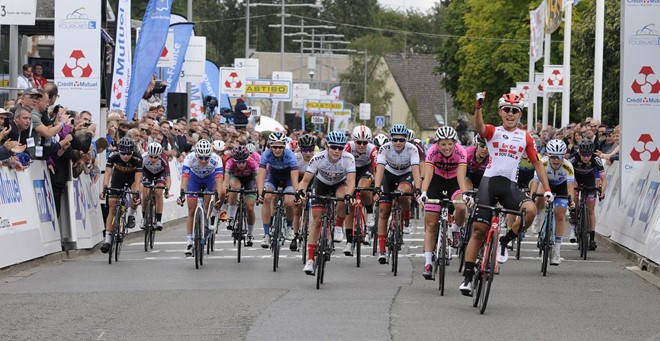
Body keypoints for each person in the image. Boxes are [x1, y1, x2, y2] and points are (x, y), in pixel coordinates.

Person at [459, 93, 553, 296]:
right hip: (489, 184)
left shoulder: (525, 136)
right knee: (478, 231)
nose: (510, 114)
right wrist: (478, 108)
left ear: (520, 114)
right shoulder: (494, 131)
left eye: (515, 110)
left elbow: (537, 162)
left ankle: (504, 242)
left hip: (509, 186)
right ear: (501, 112)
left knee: (530, 210)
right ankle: (467, 277)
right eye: (507, 110)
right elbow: (480, 128)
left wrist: (547, 189)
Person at [298, 131, 356, 274]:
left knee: (343, 197)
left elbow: (351, 181)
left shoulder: (348, 158)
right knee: (317, 220)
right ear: (327, 146)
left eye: (340, 148)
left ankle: (337, 226)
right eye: (334, 147)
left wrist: (349, 195)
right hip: (321, 185)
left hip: (339, 183)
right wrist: (301, 192)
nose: (337, 151)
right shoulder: (318, 158)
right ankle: (310, 260)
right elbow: (305, 181)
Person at [418, 126, 469, 279]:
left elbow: (461, 177)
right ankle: (428, 263)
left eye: (450, 144)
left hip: (454, 181)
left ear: (455, 143)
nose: (447, 148)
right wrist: (424, 193)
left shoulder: (461, 152)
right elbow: (427, 176)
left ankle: (455, 229)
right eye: (443, 144)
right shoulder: (432, 152)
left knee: (461, 207)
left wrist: (465, 195)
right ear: (437, 144)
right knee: (432, 224)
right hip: (436, 182)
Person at [373, 124, 422, 264]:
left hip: (405, 174)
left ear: (406, 140)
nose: (398, 143)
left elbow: (415, 169)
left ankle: (406, 220)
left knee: (404, 192)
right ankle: (381, 250)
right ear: (391, 139)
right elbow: (380, 169)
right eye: (395, 140)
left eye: (401, 140)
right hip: (388, 175)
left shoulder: (412, 149)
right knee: (383, 211)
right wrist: (377, 187)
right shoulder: (384, 148)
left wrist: (417, 188)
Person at [529, 139, 576, 265]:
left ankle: (556, 251)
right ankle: (538, 217)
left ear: (564, 156)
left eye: (559, 157)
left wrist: (571, 200)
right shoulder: (542, 163)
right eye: (553, 157)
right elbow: (535, 181)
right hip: (546, 184)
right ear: (548, 156)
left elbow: (570, 186)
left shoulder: (568, 166)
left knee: (560, 215)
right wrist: (532, 196)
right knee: (538, 196)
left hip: (561, 187)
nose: (556, 160)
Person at [177, 139, 225, 256]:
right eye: (201, 158)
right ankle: (189, 242)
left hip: (210, 179)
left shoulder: (216, 159)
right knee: (191, 210)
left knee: (211, 198)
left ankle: (210, 216)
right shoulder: (189, 158)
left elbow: (219, 181)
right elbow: (184, 179)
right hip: (195, 179)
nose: (203, 161)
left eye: (206, 158)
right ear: (196, 154)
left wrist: (217, 195)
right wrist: (182, 194)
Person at [99, 137, 143, 253]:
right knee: (112, 208)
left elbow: (138, 179)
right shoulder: (113, 156)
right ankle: (107, 241)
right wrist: (104, 188)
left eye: (128, 154)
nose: (125, 156)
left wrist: (137, 193)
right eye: (123, 153)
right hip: (118, 178)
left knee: (135, 195)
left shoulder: (137, 158)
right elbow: (107, 173)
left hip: (132, 178)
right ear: (119, 151)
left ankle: (131, 214)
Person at [256, 131, 300, 248]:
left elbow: (295, 179)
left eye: (280, 147)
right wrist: (260, 193)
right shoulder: (266, 154)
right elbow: (261, 176)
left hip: (288, 179)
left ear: (284, 146)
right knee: (267, 197)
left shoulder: (290, 155)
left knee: (289, 201)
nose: (277, 150)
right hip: (273, 177)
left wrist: (296, 193)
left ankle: (290, 227)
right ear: (270, 146)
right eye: (275, 147)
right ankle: (266, 235)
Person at [343, 125, 378, 254]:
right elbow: (341, 165)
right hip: (350, 170)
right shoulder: (348, 147)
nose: (362, 145)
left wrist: (377, 185)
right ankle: (348, 241)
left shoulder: (372, 150)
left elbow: (376, 170)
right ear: (354, 141)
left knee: (363, 188)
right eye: (359, 142)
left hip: (366, 169)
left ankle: (369, 212)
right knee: (349, 204)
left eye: (365, 142)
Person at [568, 138, 606, 250]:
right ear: (579, 153)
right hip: (575, 179)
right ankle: (574, 217)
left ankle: (592, 238)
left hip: (589, 181)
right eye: (583, 155)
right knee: (574, 195)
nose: (586, 157)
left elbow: (604, 179)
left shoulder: (596, 159)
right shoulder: (573, 158)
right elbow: (566, 176)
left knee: (590, 210)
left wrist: (602, 192)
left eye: (588, 155)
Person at [222, 145, 259, 246]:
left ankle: (250, 233)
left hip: (249, 180)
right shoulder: (230, 162)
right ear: (234, 160)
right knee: (235, 188)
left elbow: (258, 180)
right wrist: (224, 190)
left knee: (250, 208)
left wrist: (260, 193)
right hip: (236, 178)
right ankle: (231, 217)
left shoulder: (252, 163)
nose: (241, 164)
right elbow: (226, 180)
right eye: (238, 162)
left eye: (243, 161)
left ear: (247, 159)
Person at [290, 134, 317, 251]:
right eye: (305, 150)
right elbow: (293, 178)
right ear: (301, 149)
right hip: (300, 180)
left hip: (313, 180)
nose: (308, 153)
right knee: (297, 208)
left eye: (310, 149)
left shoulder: (317, 157)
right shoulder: (296, 157)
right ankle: (295, 235)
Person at [140, 142, 171, 231]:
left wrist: (167, 190)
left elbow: (168, 177)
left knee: (158, 192)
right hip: (147, 173)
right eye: (151, 156)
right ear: (148, 154)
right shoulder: (143, 158)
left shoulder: (164, 159)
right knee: (145, 194)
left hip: (159, 174)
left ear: (159, 155)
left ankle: (158, 220)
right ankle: (144, 218)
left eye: (156, 157)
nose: (153, 159)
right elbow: (138, 174)